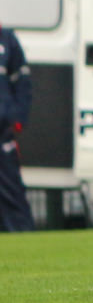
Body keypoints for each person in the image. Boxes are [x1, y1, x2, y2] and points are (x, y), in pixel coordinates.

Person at [0, 19, 33, 233]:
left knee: (12, 192)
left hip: (2, 132)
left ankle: (24, 238)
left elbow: (22, 83)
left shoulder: (7, 39)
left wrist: (17, 118)